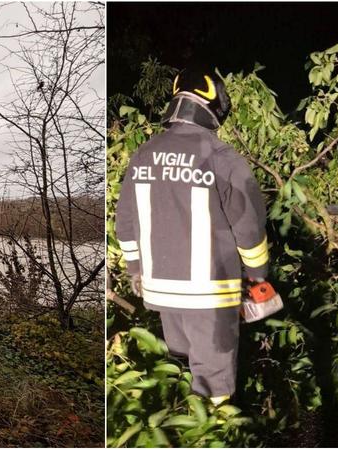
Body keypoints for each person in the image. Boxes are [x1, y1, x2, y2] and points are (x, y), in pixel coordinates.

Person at [114, 69, 271, 406]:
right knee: (215, 384)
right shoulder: (221, 157)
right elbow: (249, 229)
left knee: (183, 367)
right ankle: (212, 433)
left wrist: (135, 271)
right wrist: (259, 277)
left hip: (161, 292)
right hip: (210, 295)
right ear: (215, 108)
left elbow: (124, 225)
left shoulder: (141, 156)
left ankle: (181, 423)